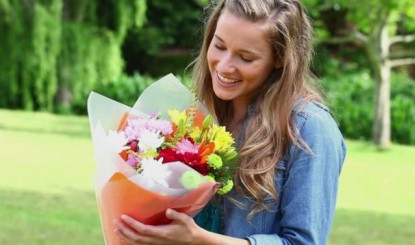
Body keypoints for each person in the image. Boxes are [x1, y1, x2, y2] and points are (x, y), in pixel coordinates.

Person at [113, 0, 346, 244]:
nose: (224, 66)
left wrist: (199, 239)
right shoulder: (197, 116)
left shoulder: (310, 128)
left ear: (280, 59)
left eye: (246, 58)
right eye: (219, 46)